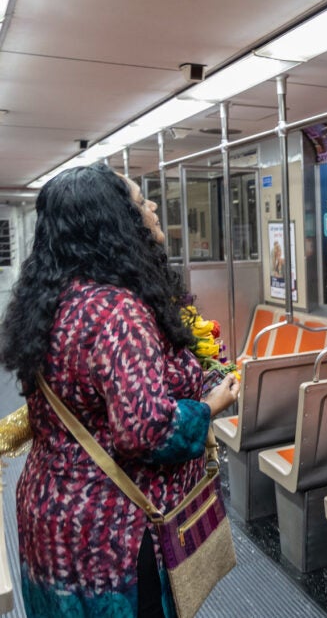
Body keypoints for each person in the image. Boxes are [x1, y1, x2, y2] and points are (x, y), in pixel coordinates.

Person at [0, 163, 240, 617]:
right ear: (112, 222)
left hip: (51, 511)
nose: (151, 207)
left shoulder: (56, 299)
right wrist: (210, 405)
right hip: (112, 533)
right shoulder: (116, 311)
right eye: (138, 201)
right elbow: (146, 432)